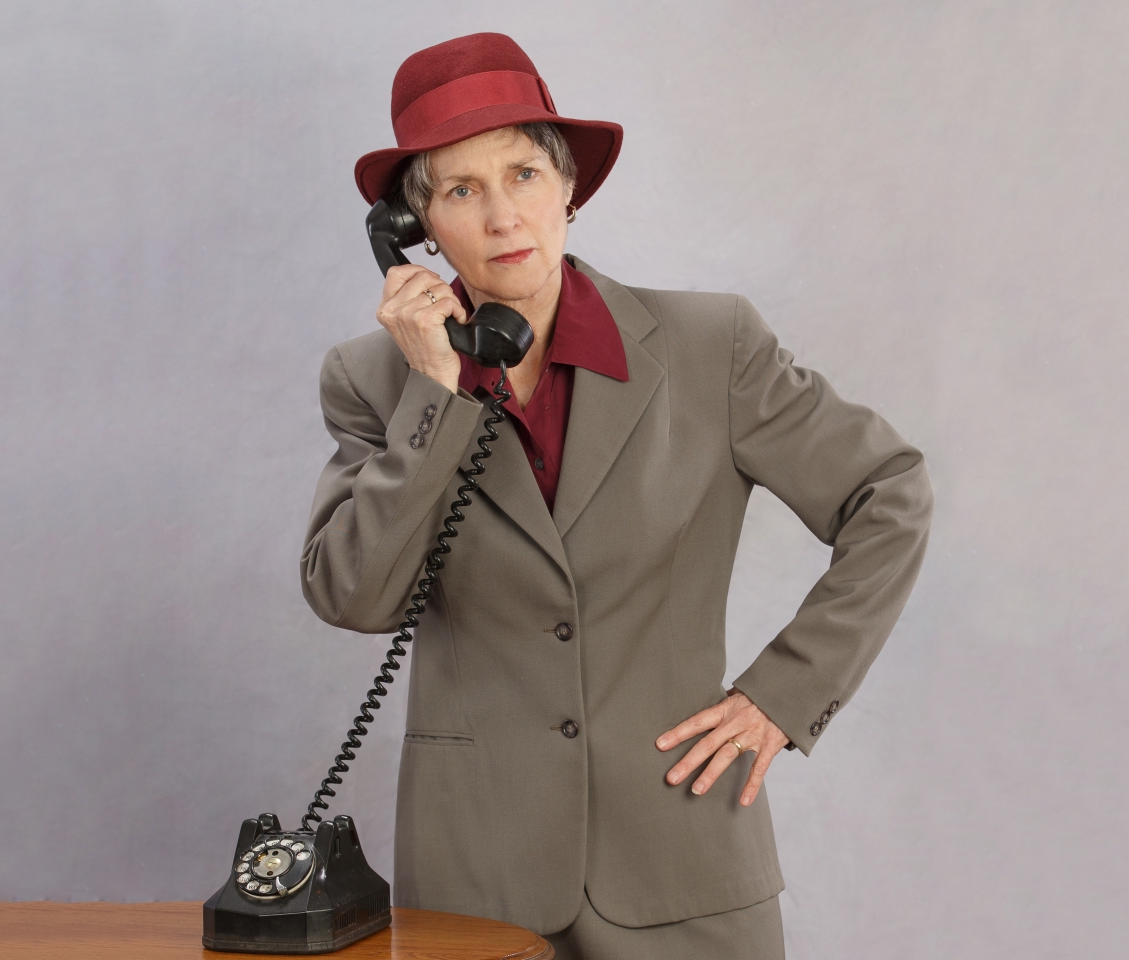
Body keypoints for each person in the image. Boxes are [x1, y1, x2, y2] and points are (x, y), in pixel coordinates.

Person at [301, 32, 933, 960]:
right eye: (462, 190)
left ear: (568, 188)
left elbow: (889, 490)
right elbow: (354, 595)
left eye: (521, 173)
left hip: (684, 866)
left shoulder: (713, 346)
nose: (503, 216)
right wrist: (435, 393)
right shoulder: (373, 381)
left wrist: (786, 693)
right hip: (476, 880)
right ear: (418, 227)